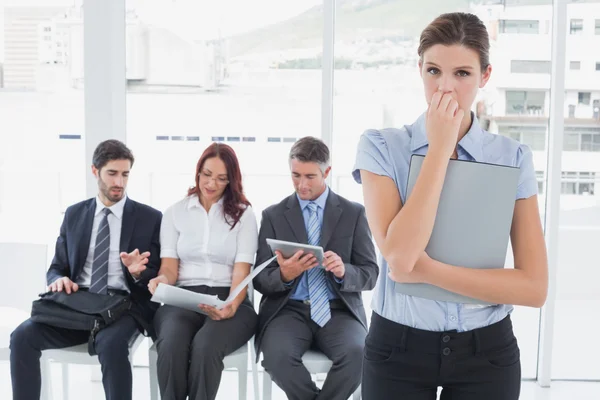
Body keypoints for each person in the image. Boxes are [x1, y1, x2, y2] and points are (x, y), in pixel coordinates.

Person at [353, 12, 548, 400]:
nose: (445, 87)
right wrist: (440, 147)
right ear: (419, 70)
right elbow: (399, 254)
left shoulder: (512, 157)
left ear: (484, 77)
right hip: (398, 350)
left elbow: (533, 288)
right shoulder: (381, 147)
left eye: (462, 73)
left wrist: (427, 270)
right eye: (433, 71)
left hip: (487, 352)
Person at [10, 140, 162, 400]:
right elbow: (57, 267)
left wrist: (138, 272)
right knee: (22, 336)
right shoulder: (74, 214)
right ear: (95, 171)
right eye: (112, 173)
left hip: (123, 306)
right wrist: (59, 280)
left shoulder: (150, 218)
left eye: (125, 174)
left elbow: (158, 275)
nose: (120, 183)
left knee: (111, 344)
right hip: (79, 303)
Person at [253, 136, 379, 400]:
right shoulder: (273, 216)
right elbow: (260, 280)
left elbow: (370, 273)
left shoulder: (353, 213)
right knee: (277, 357)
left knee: (359, 354)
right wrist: (285, 275)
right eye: (295, 175)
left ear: (327, 172)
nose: (302, 184)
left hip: (338, 311)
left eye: (310, 176)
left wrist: (344, 270)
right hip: (288, 311)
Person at [148, 143, 258, 400]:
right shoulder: (175, 213)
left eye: (221, 179)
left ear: (231, 181)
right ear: (198, 172)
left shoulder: (244, 215)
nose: (211, 183)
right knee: (172, 344)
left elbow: (242, 272)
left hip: (230, 298)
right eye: (207, 174)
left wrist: (230, 304)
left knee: (206, 345)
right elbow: (169, 269)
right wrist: (161, 281)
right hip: (183, 297)